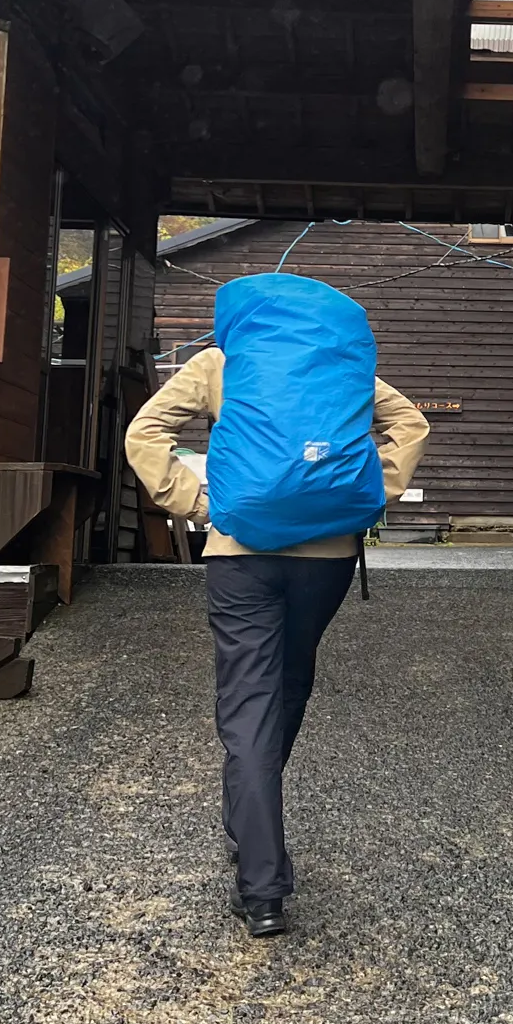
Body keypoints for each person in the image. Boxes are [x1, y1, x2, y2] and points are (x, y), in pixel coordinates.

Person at [125, 335, 429, 938]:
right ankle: (252, 835)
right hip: (328, 557)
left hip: (241, 553)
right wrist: (372, 495)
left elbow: (145, 432)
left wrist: (196, 502)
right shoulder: (340, 364)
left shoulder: (220, 362)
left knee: (249, 703)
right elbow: (411, 425)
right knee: (289, 684)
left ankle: (261, 887)